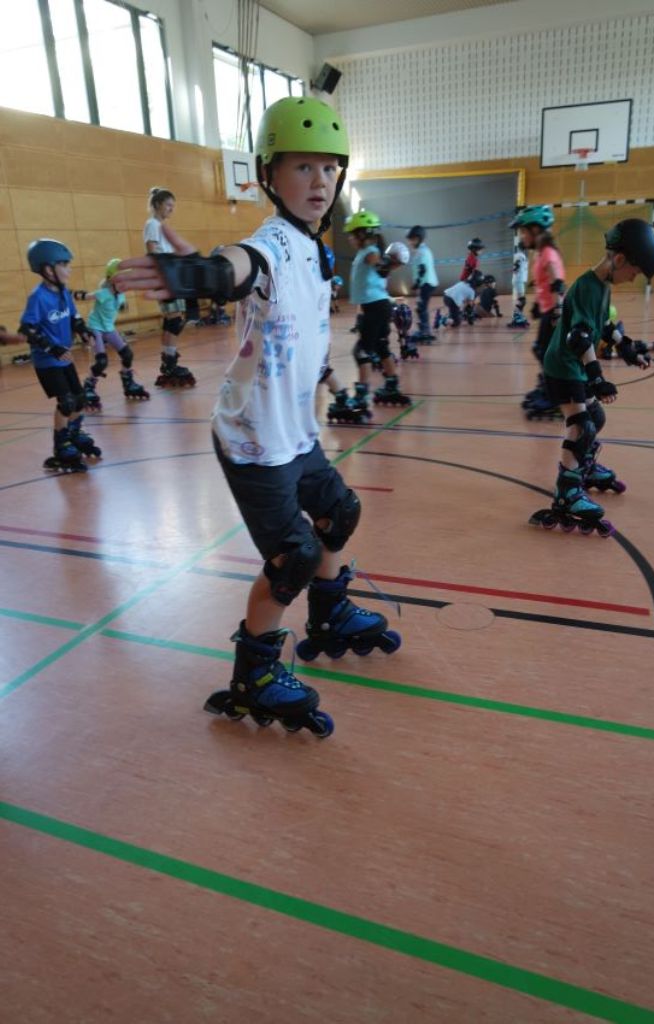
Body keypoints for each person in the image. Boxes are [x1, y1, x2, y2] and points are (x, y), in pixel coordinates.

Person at [115, 97, 401, 737]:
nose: (319, 181)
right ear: (270, 175)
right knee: (292, 558)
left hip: (293, 431)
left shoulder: (316, 249)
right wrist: (200, 274)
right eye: (303, 167)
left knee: (339, 513)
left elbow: (306, 334)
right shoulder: (270, 243)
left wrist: (329, 381)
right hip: (251, 438)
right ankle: (256, 675)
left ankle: (328, 615)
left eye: (329, 168)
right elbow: (236, 268)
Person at [530, 218, 654, 536]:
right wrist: (597, 377)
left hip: (573, 366)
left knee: (596, 418)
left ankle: (584, 469)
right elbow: (579, 338)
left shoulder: (601, 286)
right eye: (634, 272)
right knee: (582, 426)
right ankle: (567, 492)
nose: (633, 279)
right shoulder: (587, 287)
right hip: (563, 367)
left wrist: (628, 348)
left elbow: (602, 325)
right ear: (620, 260)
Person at [19, 239, 101, 472]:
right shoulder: (38, 297)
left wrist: (83, 331)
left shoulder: (64, 292)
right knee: (66, 403)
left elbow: (74, 317)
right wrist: (53, 348)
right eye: (64, 265)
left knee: (80, 399)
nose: (69, 269)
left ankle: (73, 433)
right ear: (48, 269)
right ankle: (61, 445)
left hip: (64, 358)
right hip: (47, 361)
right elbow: (28, 330)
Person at [341, 210, 411, 414]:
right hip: (379, 306)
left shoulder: (371, 252)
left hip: (375, 307)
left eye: (352, 234)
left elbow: (379, 266)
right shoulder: (369, 251)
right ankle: (391, 386)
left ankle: (361, 397)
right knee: (381, 347)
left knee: (361, 351)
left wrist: (386, 265)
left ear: (364, 234)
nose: (350, 238)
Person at [510, 205, 566, 420]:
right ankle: (548, 389)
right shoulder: (542, 252)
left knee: (546, 353)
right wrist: (537, 304)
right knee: (543, 352)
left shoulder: (548, 253)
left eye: (523, 232)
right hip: (548, 309)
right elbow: (544, 283)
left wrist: (557, 310)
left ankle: (555, 397)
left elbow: (557, 282)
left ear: (535, 230)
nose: (522, 237)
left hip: (554, 312)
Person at [73, 258, 150, 409]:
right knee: (101, 362)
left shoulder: (121, 294)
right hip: (95, 328)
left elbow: (119, 305)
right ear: (111, 280)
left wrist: (122, 306)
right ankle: (88, 387)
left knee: (127, 355)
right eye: (122, 281)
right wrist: (69, 294)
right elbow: (84, 296)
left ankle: (128, 383)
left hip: (109, 328)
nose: (125, 285)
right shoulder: (103, 293)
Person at [143, 187, 196, 388]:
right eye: (168, 205)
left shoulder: (160, 225)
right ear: (157, 204)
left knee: (170, 321)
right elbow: (152, 252)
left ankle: (168, 360)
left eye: (173, 206)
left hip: (168, 276)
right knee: (174, 321)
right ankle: (170, 362)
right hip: (163, 277)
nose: (171, 209)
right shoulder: (152, 224)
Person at [406, 225, 438, 341]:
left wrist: (417, 283)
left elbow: (422, 269)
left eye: (411, 239)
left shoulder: (421, 252)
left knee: (421, 307)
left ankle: (424, 331)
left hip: (426, 283)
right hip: (427, 283)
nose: (409, 242)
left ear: (418, 239)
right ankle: (424, 330)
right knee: (421, 307)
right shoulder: (423, 250)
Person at [508, 241, 530, 328]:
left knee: (521, 300)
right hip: (518, 280)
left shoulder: (521, 255)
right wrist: (515, 269)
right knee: (522, 300)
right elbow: (516, 266)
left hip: (519, 280)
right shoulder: (520, 255)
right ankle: (516, 319)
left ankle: (518, 317)